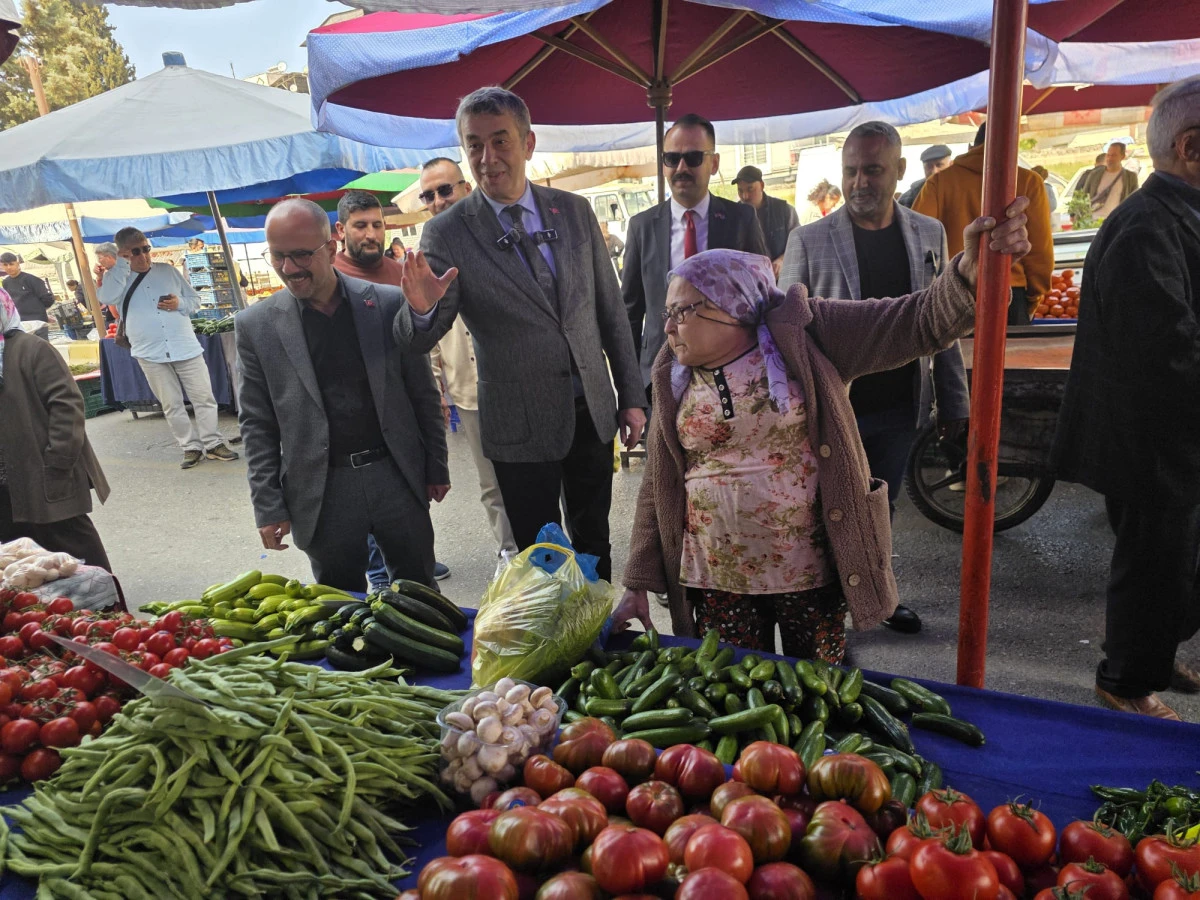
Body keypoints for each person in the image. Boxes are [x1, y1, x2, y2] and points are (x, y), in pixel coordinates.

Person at [612, 199, 1031, 656]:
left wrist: (970, 273)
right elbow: (659, 482)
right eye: (666, 313)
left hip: (808, 573)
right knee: (735, 690)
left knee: (815, 688)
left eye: (682, 312)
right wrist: (637, 580)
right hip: (717, 578)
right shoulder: (671, 372)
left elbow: (917, 321)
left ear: (732, 304)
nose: (668, 328)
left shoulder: (808, 331)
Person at [395, 86, 645, 581]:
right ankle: (553, 639)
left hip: (590, 408)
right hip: (518, 422)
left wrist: (631, 395)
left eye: (500, 141)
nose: (487, 159)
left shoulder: (572, 212)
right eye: (474, 145)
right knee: (540, 552)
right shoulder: (448, 232)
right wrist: (420, 310)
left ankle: (596, 635)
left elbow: (610, 310)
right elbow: (419, 336)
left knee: (594, 535)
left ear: (528, 144)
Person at [780, 121, 970, 636]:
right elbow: (784, 333)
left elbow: (942, 324)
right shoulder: (809, 239)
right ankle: (829, 611)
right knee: (829, 513)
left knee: (881, 508)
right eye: (852, 171)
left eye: (873, 170)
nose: (860, 181)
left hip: (902, 402)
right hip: (834, 408)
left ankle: (879, 599)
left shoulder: (929, 233)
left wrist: (955, 400)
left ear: (899, 171)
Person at [1052, 76, 1200, 721]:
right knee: (1154, 564)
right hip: (1153, 441)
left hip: (1172, 436)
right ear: (1191, 148)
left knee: (1176, 562)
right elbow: (1167, 350)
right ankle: (1126, 681)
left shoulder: (1173, 216)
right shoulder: (1146, 227)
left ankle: (1155, 651)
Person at [237, 198, 449, 593]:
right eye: (278, 257)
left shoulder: (384, 304)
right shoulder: (256, 326)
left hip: (395, 476)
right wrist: (267, 505)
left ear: (331, 248)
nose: (289, 269)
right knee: (340, 603)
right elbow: (257, 424)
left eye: (301, 255)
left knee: (420, 592)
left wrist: (436, 466)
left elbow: (422, 391)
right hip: (322, 489)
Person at [331, 188, 452, 586]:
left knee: (410, 509)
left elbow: (421, 349)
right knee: (372, 533)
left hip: (404, 416)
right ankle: (383, 575)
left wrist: (438, 392)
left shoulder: (400, 274)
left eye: (377, 225)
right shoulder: (330, 281)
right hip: (357, 427)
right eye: (360, 226)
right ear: (340, 230)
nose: (371, 234)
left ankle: (411, 556)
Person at [623, 113, 767, 399]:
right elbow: (630, 311)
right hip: (660, 378)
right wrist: (631, 392)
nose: (681, 167)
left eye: (693, 158)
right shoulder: (641, 227)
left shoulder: (740, 219)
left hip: (732, 379)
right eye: (671, 158)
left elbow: (763, 300)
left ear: (713, 163)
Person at [418, 157, 517, 557]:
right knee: (491, 483)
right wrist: (436, 387)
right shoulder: (426, 255)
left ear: (466, 188)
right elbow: (426, 328)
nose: (439, 200)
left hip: (518, 381)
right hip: (468, 390)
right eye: (429, 195)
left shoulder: (502, 237)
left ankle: (557, 553)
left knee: (544, 474)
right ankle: (509, 554)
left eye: (446, 189)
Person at [98, 228, 239, 470]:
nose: (143, 255)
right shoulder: (116, 279)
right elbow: (107, 296)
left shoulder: (168, 271)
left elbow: (195, 301)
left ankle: (213, 443)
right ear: (123, 254)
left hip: (184, 345)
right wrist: (121, 265)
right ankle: (190, 447)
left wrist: (179, 303)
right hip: (149, 351)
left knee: (204, 397)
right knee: (171, 403)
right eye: (135, 251)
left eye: (146, 248)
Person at [0, 289, 111, 570]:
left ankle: (107, 606)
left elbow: (67, 407)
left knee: (71, 543)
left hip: (45, 469)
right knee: (21, 559)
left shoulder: (31, 349)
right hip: (6, 482)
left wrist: (58, 461)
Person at [913, 122, 1054, 325]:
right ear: (1014, 146)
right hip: (1011, 295)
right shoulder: (1028, 181)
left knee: (958, 357)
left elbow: (919, 242)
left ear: (972, 147)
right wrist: (1032, 300)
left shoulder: (939, 182)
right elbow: (1040, 255)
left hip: (955, 292)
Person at [733, 164, 800, 278]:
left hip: (782, 279)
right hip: (750, 281)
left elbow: (798, 244)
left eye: (750, 189)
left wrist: (782, 260)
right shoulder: (733, 216)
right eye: (740, 191)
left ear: (762, 185)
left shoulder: (784, 210)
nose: (745, 196)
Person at [1078, 141, 1139, 222]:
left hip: (1117, 222)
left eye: (1114, 155)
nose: (1110, 158)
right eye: (1108, 155)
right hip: (1094, 222)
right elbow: (1083, 197)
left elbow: (1134, 202)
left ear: (1122, 156)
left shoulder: (1130, 177)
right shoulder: (1094, 175)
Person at [1, 253, 53, 340]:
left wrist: (40, 312)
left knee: (41, 349)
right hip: (19, 324)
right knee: (25, 350)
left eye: (11, 264)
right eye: (5, 265)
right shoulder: (6, 282)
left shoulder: (32, 280)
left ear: (17, 264)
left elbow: (47, 299)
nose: (9, 267)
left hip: (38, 323)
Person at [93, 243, 119, 324]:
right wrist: (100, 277)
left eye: (100, 258)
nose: (98, 262)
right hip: (120, 319)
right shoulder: (109, 273)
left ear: (108, 257)